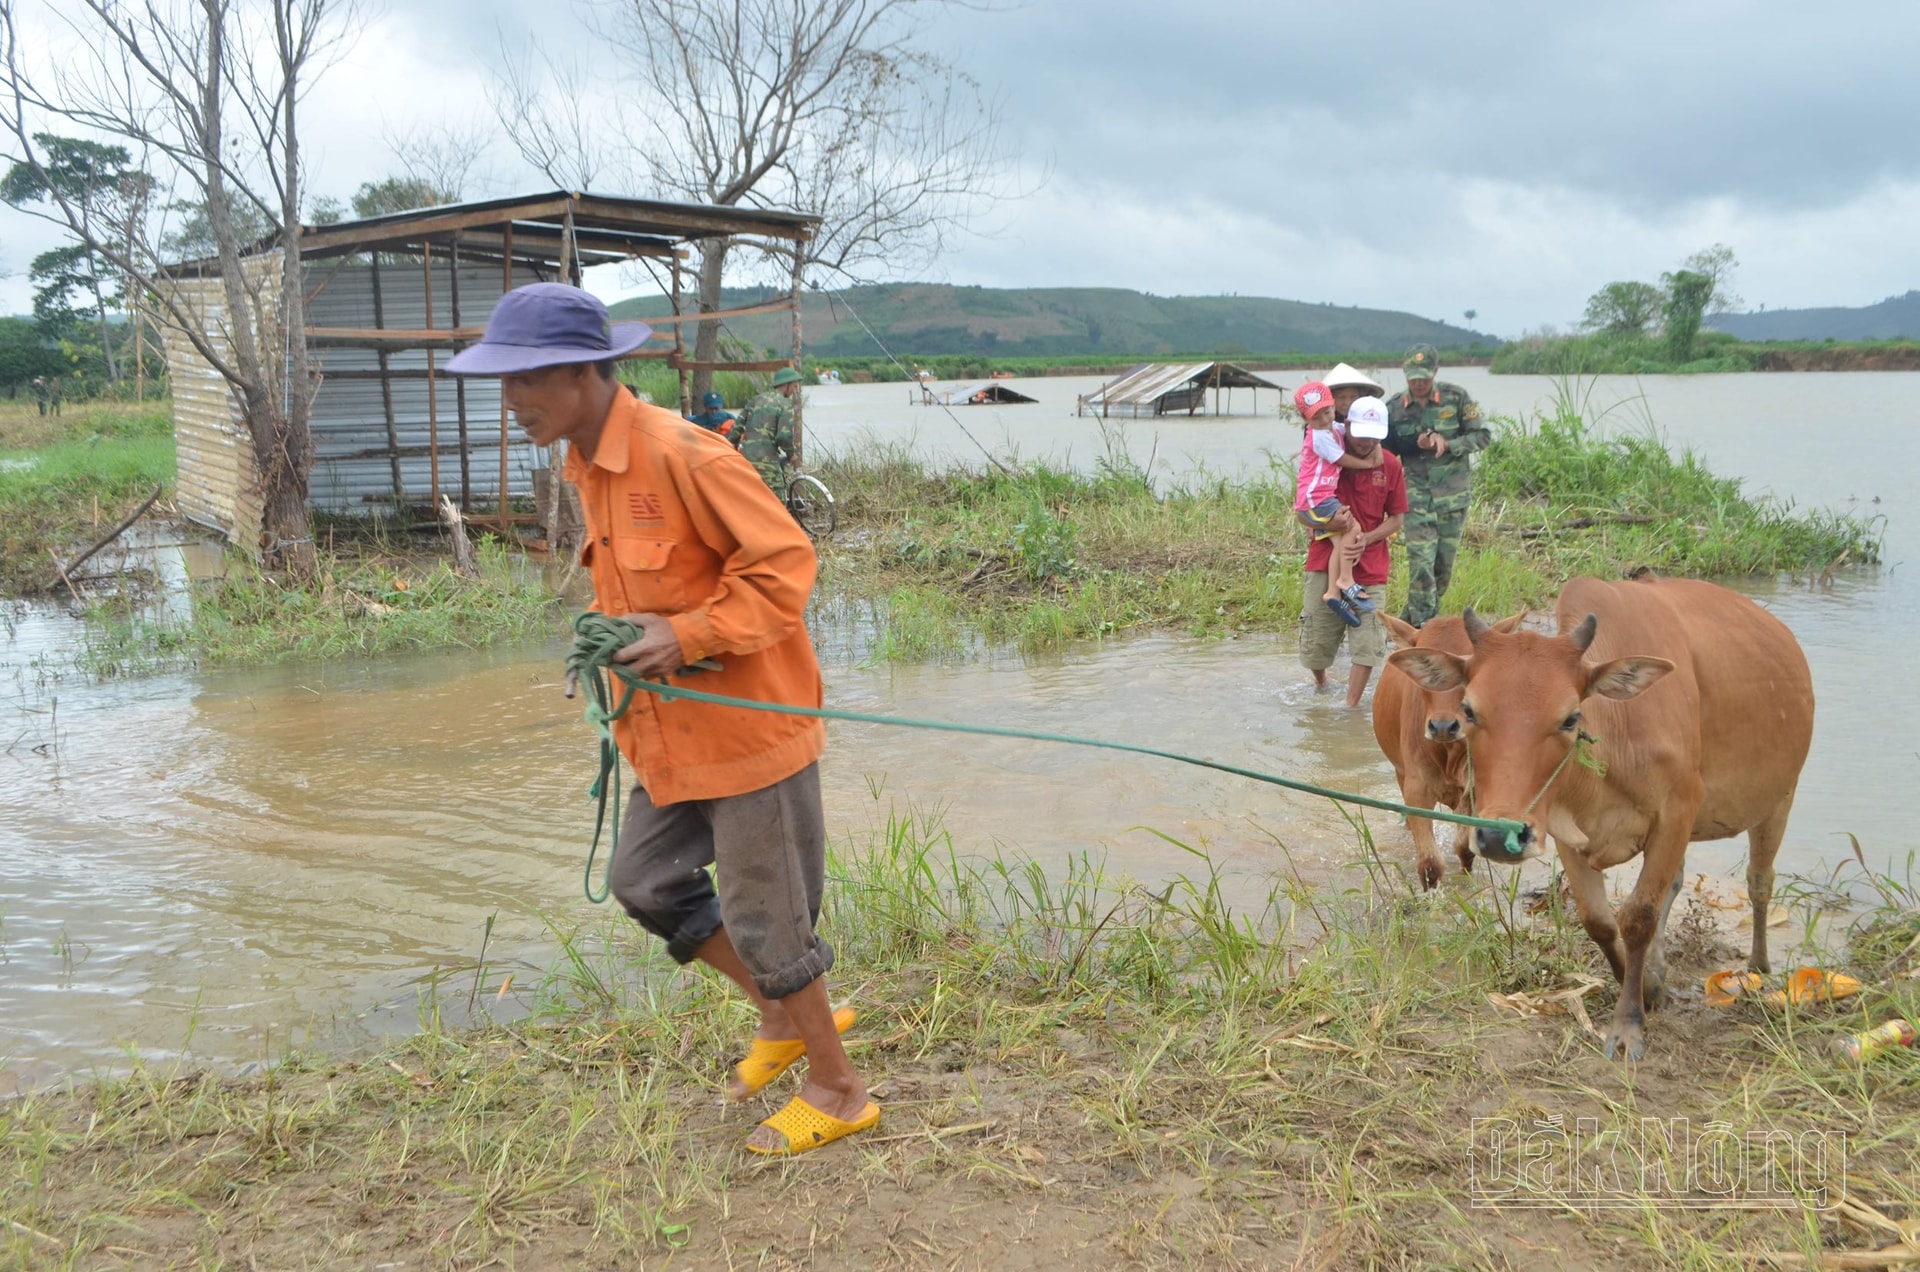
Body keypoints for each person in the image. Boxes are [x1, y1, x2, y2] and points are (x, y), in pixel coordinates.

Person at [444, 284, 876, 1156]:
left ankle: (838, 1087)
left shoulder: (686, 454)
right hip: (671, 736)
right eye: (504, 385)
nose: (512, 403)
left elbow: (787, 563)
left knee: (772, 922)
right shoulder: (585, 462)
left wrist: (689, 632)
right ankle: (773, 1013)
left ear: (582, 371)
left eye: (525, 381)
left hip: (750, 733)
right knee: (646, 881)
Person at [1299, 396, 1407, 708]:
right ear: (1346, 426)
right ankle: (1321, 683)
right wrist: (1319, 523)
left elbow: (1397, 518)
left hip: (1372, 566)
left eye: (1374, 435)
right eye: (1360, 433)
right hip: (1324, 561)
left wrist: (1368, 538)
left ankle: (1350, 705)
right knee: (1316, 639)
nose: (1366, 441)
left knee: (1369, 641)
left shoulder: (1391, 465)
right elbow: (1303, 508)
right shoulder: (1327, 453)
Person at [1383, 343, 1489, 626]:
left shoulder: (1456, 398)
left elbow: (1482, 436)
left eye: (1425, 378)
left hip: (1452, 498)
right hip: (1415, 498)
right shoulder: (1393, 408)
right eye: (1413, 378)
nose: (1419, 384)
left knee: (1441, 572)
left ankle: (1407, 623)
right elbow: (1379, 445)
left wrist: (1450, 443)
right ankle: (1425, 630)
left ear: (1436, 372)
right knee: (1421, 566)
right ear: (1404, 373)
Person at [1293, 380, 1381, 626]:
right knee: (1352, 529)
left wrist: (1378, 442)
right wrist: (1368, 464)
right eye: (1316, 416)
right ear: (1305, 418)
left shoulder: (1335, 427)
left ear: (1332, 407)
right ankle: (1346, 580)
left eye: (1327, 412)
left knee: (1340, 541)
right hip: (1317, 498)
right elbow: (1341, 458)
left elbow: (1353, 430)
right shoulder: (1319, 437)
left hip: (1317, 498)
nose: (1323, 419)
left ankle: (1333, 591)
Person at [735, 366, 802, 493]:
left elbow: (736, 428)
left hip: (745, 462)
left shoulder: (755, 400)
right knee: (777, 502)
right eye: (794, 387)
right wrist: (791, 454)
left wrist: (731, 448)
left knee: (752, 498)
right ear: (786, 385)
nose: (794, 391)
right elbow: (784, 437)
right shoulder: (784, 404)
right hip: (767, 463)